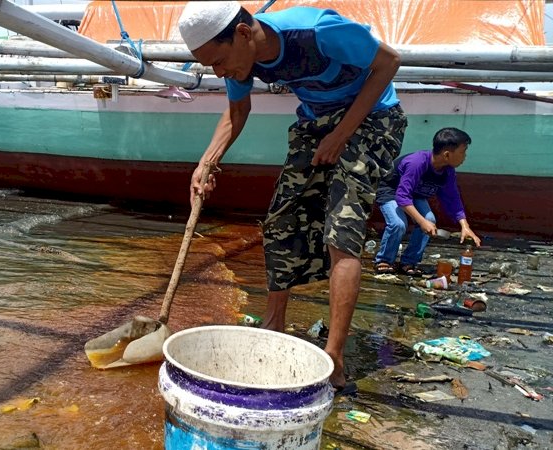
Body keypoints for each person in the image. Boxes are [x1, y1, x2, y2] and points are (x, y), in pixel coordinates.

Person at [177, 2, 407, 392]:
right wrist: (206, 163)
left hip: (372, 119)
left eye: (218, 61)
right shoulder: (242, 59)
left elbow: (389, 63)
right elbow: (237, 110)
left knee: (342, 231)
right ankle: (273, 321)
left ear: (244, 34)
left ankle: (334, 356)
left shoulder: (318, 29)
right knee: (281, 220)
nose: (219, 73)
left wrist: (341, 135)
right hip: (315, 120)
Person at [374, 127, 481, 275]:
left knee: (430, 219)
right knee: (398, 224)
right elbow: (402, 197)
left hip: (416, 194)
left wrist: (464, 225)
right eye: (463, 152)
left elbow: (452, 198)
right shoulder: (416, 163)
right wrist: (421, 221)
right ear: (447, 154)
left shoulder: (447, 170)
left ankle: (409, 261)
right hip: (392, 191)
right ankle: (384, 260)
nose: (465, 156)